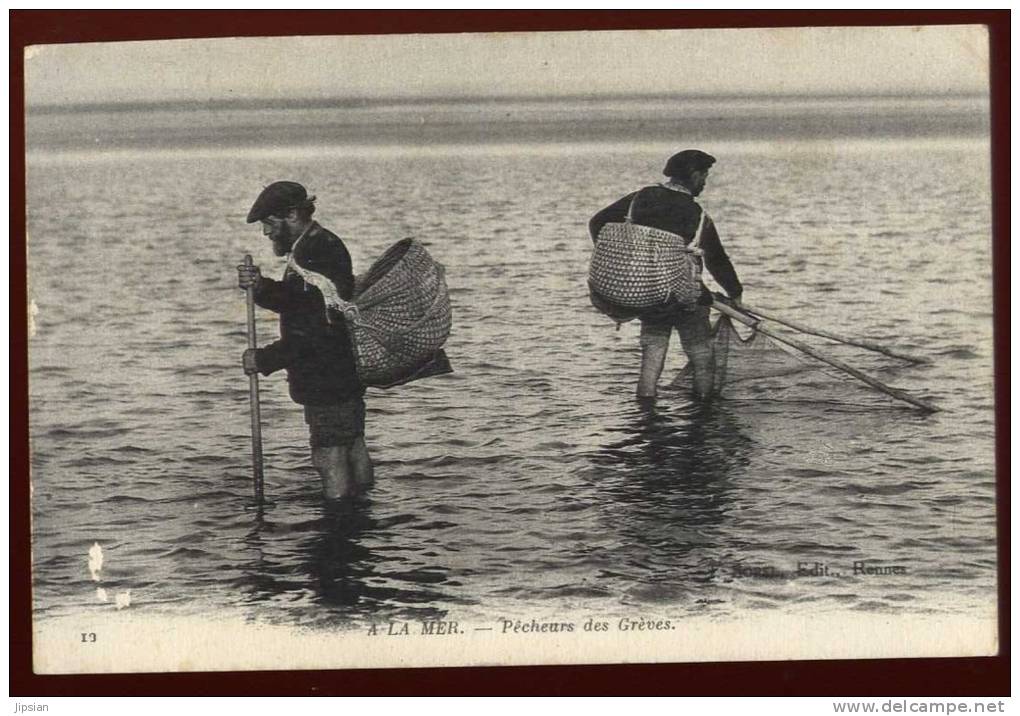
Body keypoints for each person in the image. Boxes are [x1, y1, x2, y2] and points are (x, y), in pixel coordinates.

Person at [237, 181, 373, 501]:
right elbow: (302, 302)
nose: (267, 233)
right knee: (352, 445)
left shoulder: (316, 252)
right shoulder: (317, 245)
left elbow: (312, 334)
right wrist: (261, 287)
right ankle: (362, 516)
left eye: (270, 224)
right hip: (343, 374)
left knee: (329, 455)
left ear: (293, 215)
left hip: (327, 378)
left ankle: (338, 533)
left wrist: (264, 359)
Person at [589, 150, 743, 400]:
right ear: (694, 175)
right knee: (701, 353)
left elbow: (597, 223)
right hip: (685, 298)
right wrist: (735, 294)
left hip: (648, 293)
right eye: (704, 176)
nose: (704, 182)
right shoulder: (696, 214)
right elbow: (717, 260)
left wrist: (622, 257)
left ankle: (646, 412)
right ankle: (703, 410)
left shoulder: (638, 199)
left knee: (653, 350)